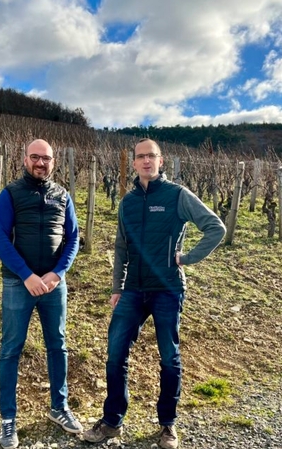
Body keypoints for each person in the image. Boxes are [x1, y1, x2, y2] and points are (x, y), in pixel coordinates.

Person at [84, 138, 226, 449]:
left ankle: (168, 425)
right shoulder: (128, 202)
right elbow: (121, 247)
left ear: (161, 161)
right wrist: (117, 287)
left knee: (169, 358)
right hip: (133, 289)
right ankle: (111, 422)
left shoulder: (177, 195)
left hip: (167, 289)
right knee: (115, 354)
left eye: (152, 156)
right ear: (133, 163)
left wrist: (186, 258)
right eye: (140, 157)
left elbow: (215, 227)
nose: (146, 161)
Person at [0, 138, 83, 449]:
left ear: (53, 162)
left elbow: (73, 238)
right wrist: (27, 275)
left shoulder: (62, 195)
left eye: (46, 158)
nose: (40, 163)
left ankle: (59, 408)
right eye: (35, 157)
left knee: (58, 345)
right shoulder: (10, 194)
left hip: (54, 285)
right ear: (25, 159)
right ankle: (8, 420)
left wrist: (58, 273)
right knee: (11, 349)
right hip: (19, 284)